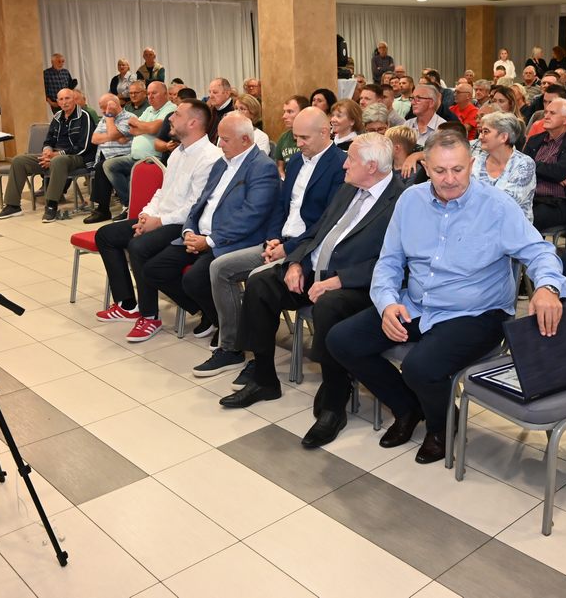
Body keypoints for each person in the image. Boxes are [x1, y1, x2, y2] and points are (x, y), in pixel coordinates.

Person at [327, 130, 566, 464]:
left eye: (458, 169)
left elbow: (539, 252)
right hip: (418, 303)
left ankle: (441, 428)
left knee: (420, 367)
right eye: (440, 171)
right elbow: (389, 261)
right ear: (426, 167)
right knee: (341, 340)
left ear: (472, 164)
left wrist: (547, 287)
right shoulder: (410, 201)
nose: (450, 179)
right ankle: (407, 408)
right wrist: (387, 303)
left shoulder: (497, 206)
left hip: (477, 312)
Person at [219, 135, 404, 440]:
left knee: (329, 305)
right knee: (260, 282)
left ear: (371, 166)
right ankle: (263, 378)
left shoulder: (401, 200)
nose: (344, 164)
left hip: (356, 284)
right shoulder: (350, 188)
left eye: (351, 159)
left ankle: (335, 400)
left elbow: (395, 261)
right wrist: (296, 262)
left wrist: (340, 279)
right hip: (315, 271)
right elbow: (317, 232)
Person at [194, 108, 346, 375]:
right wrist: (274, 238)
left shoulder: (340, 165)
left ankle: (251, 357)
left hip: (307, 250)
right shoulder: (296, 161)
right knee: (220, 267)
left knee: (258, 281)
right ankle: (231, 347)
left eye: (304, 138)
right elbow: (280, 206)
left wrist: (288, 249)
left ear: (325, 132)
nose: (298, 143)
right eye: (295, 137)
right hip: (280, 242)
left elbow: (327, 223)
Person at [127, 113, 280, 342]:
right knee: (154, 270)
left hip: (228, 240)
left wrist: (209, 241)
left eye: (225, 140)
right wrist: (189, 230)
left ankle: (228, 326)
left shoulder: (262, 167)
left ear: (246, 140)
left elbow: (251, 215)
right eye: (219, 138)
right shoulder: (221, 163)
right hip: (199, 235)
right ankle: (210, 313)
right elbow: (199, 203)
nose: (220, 144)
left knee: (194, 279)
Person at [93, 100, 222, 329]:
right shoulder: (178, 152)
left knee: (138, 246)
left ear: (192, 123)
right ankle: (127, 304)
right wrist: (146, 215)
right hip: (161, 217)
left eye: (177, 114)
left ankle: (150, 316)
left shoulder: (209, 157)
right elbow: (162, 192)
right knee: (105, 235)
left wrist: (159, 221)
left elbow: (195, 207)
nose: (170, 118)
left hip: (183, 224)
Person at [0, 88, 94, 222]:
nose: (64, 102)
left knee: (58, 161)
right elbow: (49, 140)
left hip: (77, 157)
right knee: (19, 160)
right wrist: (47, 151)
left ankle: (51, 206)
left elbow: (84, 147)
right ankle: (13, 206)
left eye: (67, 98)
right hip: (55, 156)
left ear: (74, 100)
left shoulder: (84, 117)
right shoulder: (57, 116)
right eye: (61, 99)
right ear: (57, 102)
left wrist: (56, 155)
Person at [101, 81, 176, 209]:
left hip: (153, 158)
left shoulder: (171, 109)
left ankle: (132, 205)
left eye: (154, 93)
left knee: (124, 171)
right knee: (108, 165)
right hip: (134, 156)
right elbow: (132, 128)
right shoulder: (149, 109)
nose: (150, 97)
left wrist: (143, 126)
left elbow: (155, 128)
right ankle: (129, 203)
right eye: (149, 93)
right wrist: (147, 127)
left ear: (165, 94)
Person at [524, 99, 566, 237]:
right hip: (530, 197)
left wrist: (536, 167)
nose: (546, 116)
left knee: (525, 220)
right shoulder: (535, 140)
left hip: (558, 202)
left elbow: (558, 172)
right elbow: (521, 167)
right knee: (503, 213)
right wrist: (551, 174)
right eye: (546, 112)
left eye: (552, 113)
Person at [472, 111, 535, 221]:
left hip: (512, 226)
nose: (480, 137)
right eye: (480, 131)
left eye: (486, 132)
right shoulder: (476, 161)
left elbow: (506, 204)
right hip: (478, 223)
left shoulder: (523, 164)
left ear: (503, 137)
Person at [83, 93, 134, 223]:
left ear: (114, 105)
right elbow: (94, 139)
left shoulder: (129, 117)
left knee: (102, 166)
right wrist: (114, 136)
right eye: (101, 107)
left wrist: (110, 117)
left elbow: (112, 134)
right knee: (101, 165)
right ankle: (103, 209)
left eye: (104, 107)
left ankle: (105, 210)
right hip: (104, 156)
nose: (102, 111)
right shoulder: (104, 119)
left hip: (122, 156)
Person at [270, 95, 308, 176]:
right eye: (284, 112)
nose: (284, 116)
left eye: (290, 112)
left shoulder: (312, 138)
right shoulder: (284, 137)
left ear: (303, 113)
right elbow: (280, 167)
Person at [206, 77, 235, 142]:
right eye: (210, 92)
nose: (211, 96)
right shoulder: (210, 110)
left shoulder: (235, 111)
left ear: (227, 93)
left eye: (215, 92)